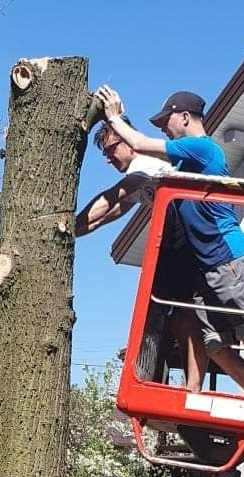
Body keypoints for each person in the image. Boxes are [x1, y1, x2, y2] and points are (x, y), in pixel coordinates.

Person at [96, 85, 244, 397]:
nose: (163, 128)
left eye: (166, 121)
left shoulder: (202, 148)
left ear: (185, 117)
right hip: (207, 266)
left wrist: (114, 117)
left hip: (227, 258)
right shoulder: (184, 164)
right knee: (215, 346)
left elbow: (138, 144)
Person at [76, 117, 207, 390]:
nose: (108, 158)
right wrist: (74, 231)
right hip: (176, 246)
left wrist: (68, 226)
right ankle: (177, 383)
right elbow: (113, 212)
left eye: (110, 149)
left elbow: (111, 198)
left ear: (128, 143)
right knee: (174, 317)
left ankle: (186, 384)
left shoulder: (145, 166)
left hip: (187, 244)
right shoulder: (138, 175)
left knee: (182, 316)